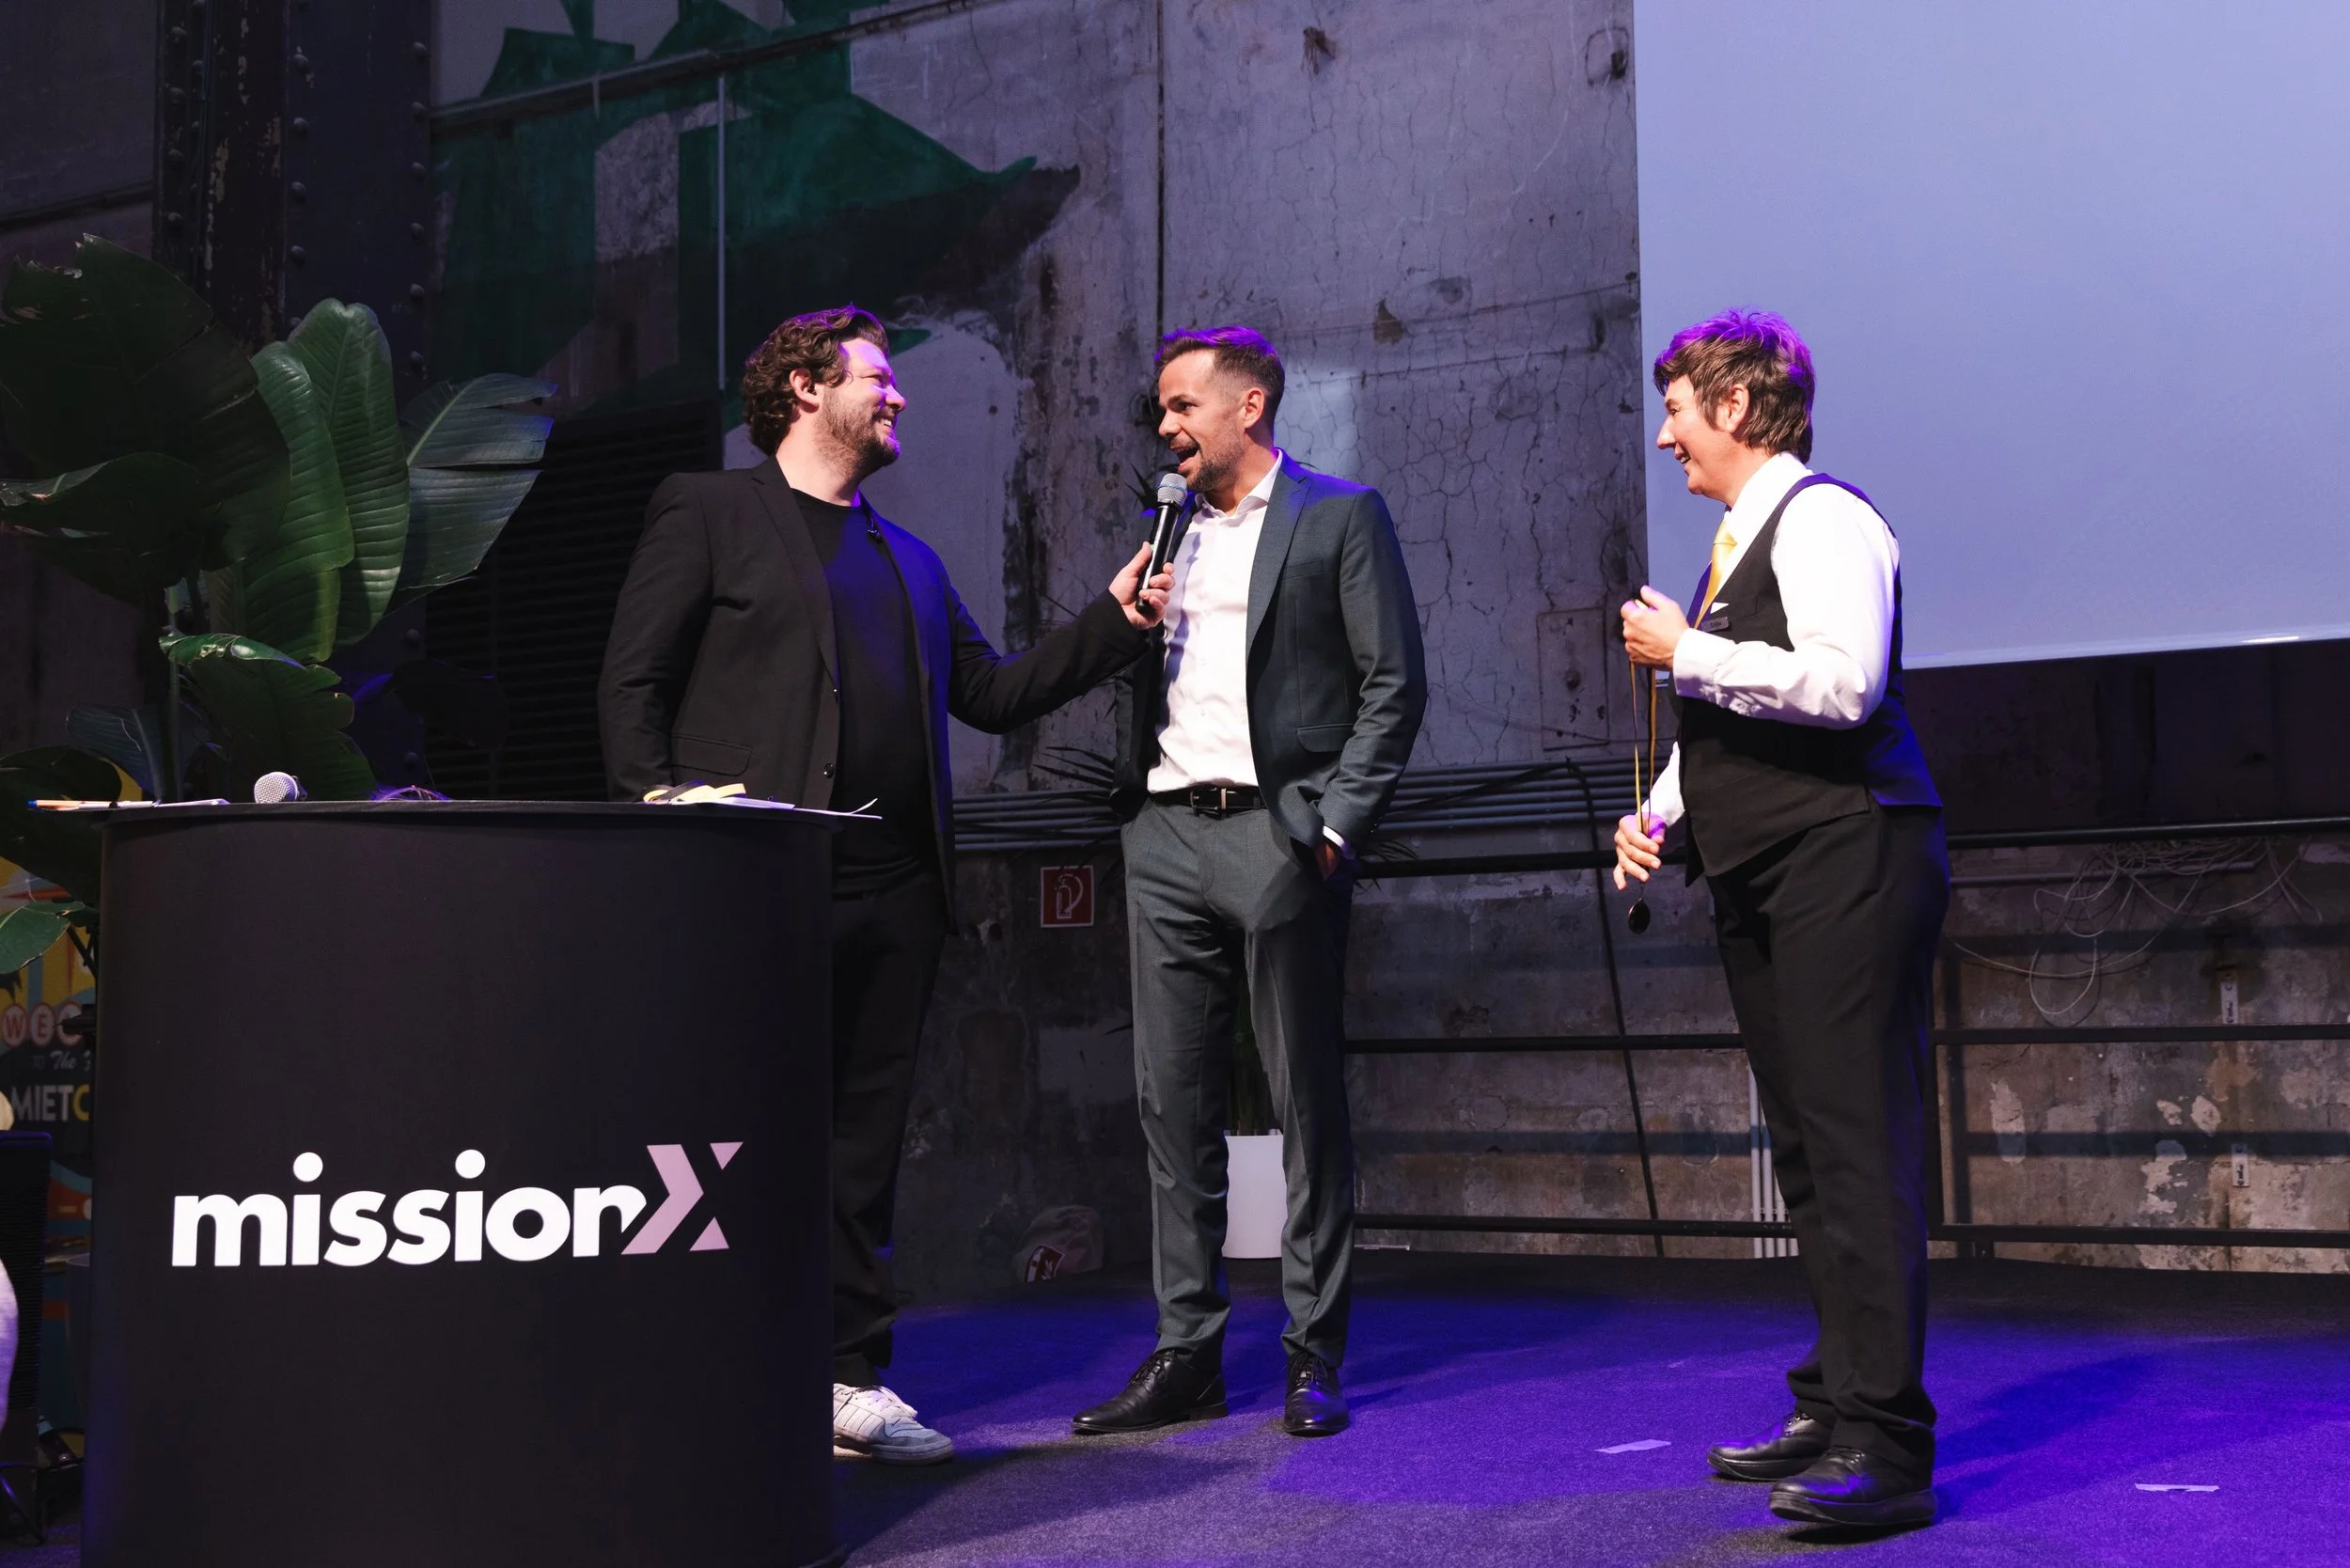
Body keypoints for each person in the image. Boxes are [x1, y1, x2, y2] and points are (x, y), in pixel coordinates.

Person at [599, 306, 1167, 1466]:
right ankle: (704, 1367)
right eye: (876, 375)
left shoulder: (908, 559)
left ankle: (845, 1379)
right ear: (805, 388)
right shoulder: (709, 511)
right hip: (753, 883)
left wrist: (1112, 623)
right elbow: (631, 680)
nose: (897, 395)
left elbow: (991, 695)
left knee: (861, 1147)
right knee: (733, 1131)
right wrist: (657, 806)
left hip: (896, 889)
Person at [1615, 309, 1948, 1529]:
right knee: (1808, 1152)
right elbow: (1730, 725)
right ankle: (1835, 1400)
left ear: (1738, 408)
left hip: (1849, 852)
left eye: (1677, 411)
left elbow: (1843, 683)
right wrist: (1658, 813)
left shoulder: (1823, 519)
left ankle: (1887, 1446)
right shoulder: (1736, 539)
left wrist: (1684, 651)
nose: (1666, 437)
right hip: (1768, 866)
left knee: (1856, 1147)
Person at [1074, 325, 1425, 1441]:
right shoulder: (1166, 528)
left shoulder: (1338, 516)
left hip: (1277, 835)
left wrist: (1334, 824)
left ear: (1250, 405)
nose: (1165, 427)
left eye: (1182, 405)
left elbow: (1392, 683)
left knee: (1300, 1096)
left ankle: (1312, 1351)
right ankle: (1187, 1352)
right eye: (1161, 410)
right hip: (1164, 830)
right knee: (1170, 1102)